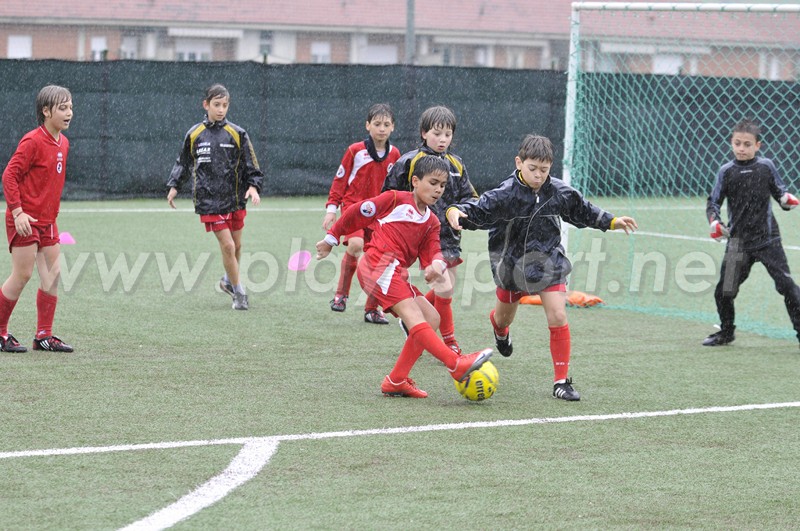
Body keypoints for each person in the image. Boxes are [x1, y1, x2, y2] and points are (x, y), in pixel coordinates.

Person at [446, 134, 637, 401]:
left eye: (544, 170)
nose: (538, 175)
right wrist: (455, 211)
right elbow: (478, 210)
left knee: (558, 315)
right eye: (533, 168)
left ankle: (562, 382)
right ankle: (500, 331)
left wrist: (612, 221)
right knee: (503, 319)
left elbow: (583, 210)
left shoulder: (558, 192)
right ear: (519, 162)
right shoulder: (505, 194)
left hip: (549, 262)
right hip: (511, 265)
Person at [316, 156, 493, 398]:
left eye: (442, 185)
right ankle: (455, 364)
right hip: (378, 264)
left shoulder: (432, 221)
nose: (438, 190)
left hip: (395, 272)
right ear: (415, 181)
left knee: (431, 317)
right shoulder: (395, 199)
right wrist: (331, 238)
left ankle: (396, 380)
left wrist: (436, 265)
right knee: (414, 316)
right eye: (433, 183)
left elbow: (433, 250)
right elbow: (358, 212)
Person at [382, 105, 478, 353]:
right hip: (418, 237)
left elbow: (470, 197)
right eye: (437, 133)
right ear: (424, 133)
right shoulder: (409, 161)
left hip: (449, 236)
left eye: (447, 134)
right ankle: (450, 343)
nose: (442, 139)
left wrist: (459, 211)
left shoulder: (456, 164)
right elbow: (388, 195)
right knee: (444, 288)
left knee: (445, 288)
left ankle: (412, 320)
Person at [704, 118, 800, 347]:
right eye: (737, 143)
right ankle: (726, 332)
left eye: (747, 144)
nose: (741, 148)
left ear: (757, 145)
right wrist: (715, 223)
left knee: (788, 288)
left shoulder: (766, 166)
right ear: (731, 143)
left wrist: (786, 200)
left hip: (768, 241)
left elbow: (780, 192)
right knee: (724, 291)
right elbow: (713, 203)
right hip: (738, 243)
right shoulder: (726, 171)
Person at [167, 84, 264, 310]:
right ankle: (239, 292)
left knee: (237, 245)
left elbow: (252, 164)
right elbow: (183, 162)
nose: (221, 110)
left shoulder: (238, 133)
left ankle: (228, 280)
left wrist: (253, 187)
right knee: (228, 246)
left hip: (235, 199)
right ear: (206, 105)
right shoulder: (194, 134)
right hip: (209, 201)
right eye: (216, 104)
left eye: (225, 105)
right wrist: (174, 185)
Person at [0, 85, 75, 353]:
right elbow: (9, 175)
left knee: (52, 275)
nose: (69, 113)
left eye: (70, 107)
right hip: (25, 219)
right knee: (22, 274)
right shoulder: (32, 141)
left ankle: (44, 336)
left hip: (47, 221)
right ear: (46, 111)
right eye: (62, 108)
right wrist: (18, 212)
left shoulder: (63, 143)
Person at [323, 103, 401, 325]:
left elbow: (397, 187)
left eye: (386, 124)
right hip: (354, 208)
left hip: (379, 214)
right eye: (377, 124)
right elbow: (340, 181)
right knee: (356, 245)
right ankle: (341, 294)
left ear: (393, 127)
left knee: (380, 258)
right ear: (368, 126)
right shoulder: (355, 150)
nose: (381, 128)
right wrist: (331, 209)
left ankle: (372, 309)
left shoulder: (395, 154)